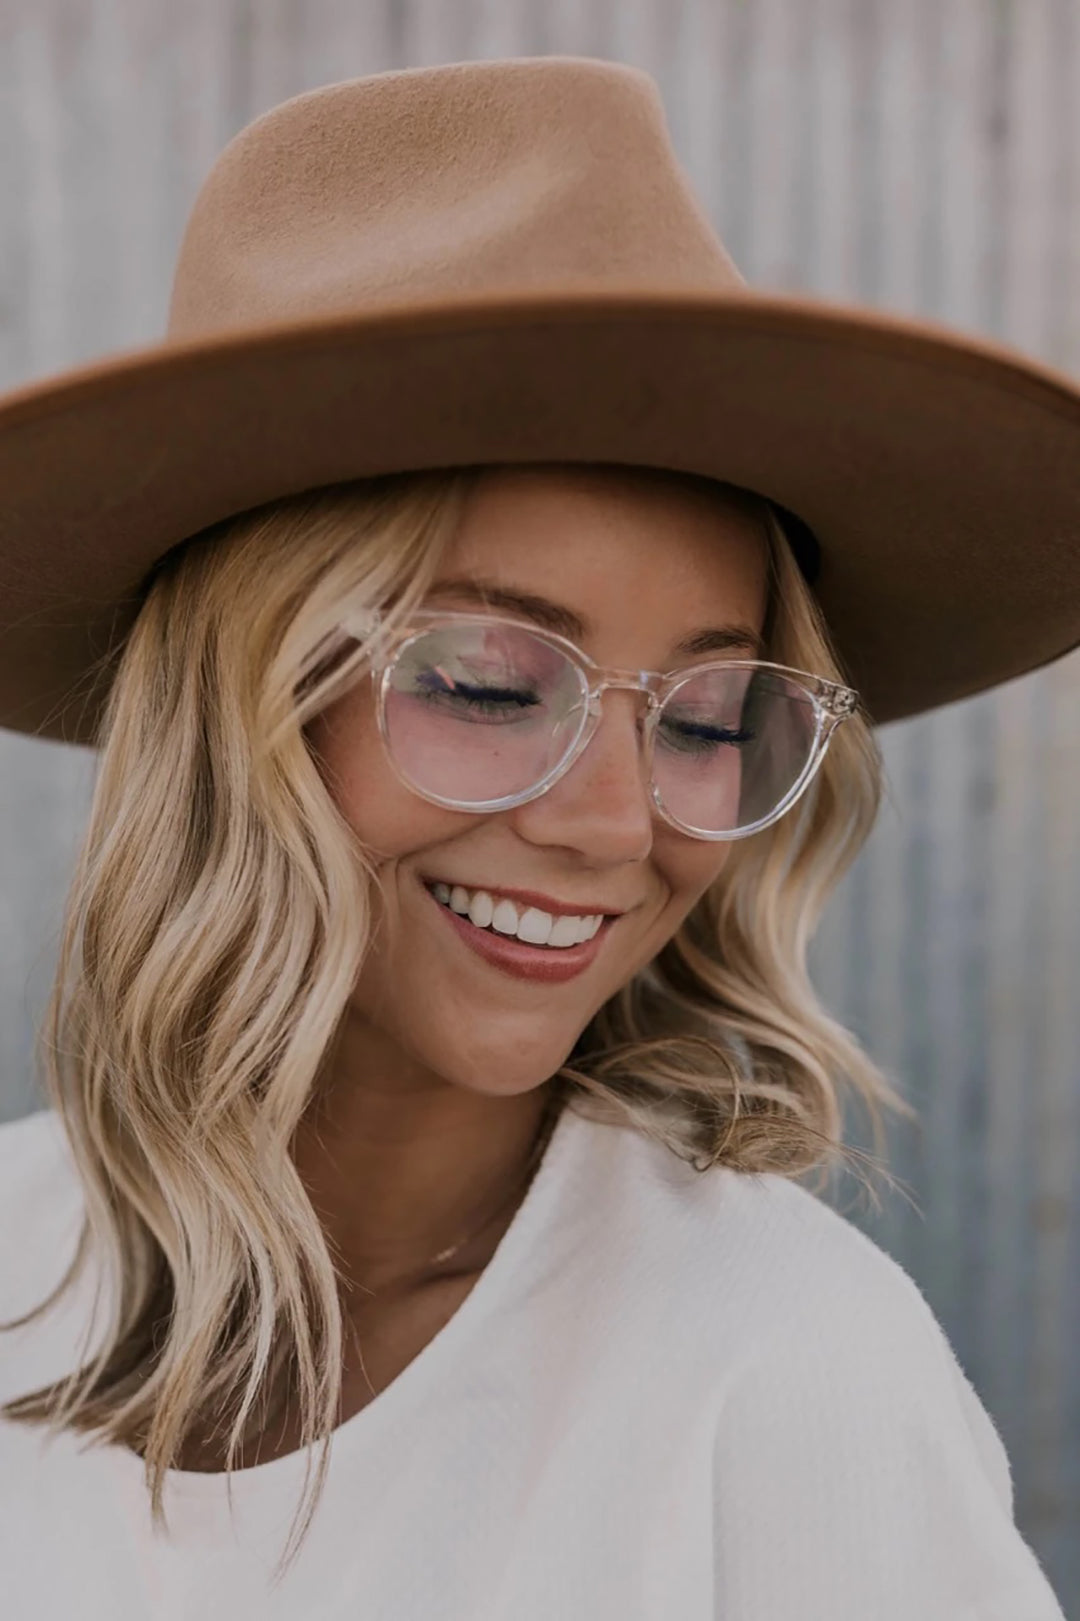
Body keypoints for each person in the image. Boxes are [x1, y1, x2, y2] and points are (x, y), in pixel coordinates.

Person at [0, 55, 1072, 1620]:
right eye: (494, 684)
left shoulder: (784, 1374)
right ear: (240, 703)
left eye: (710, 717)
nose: (616, 822)